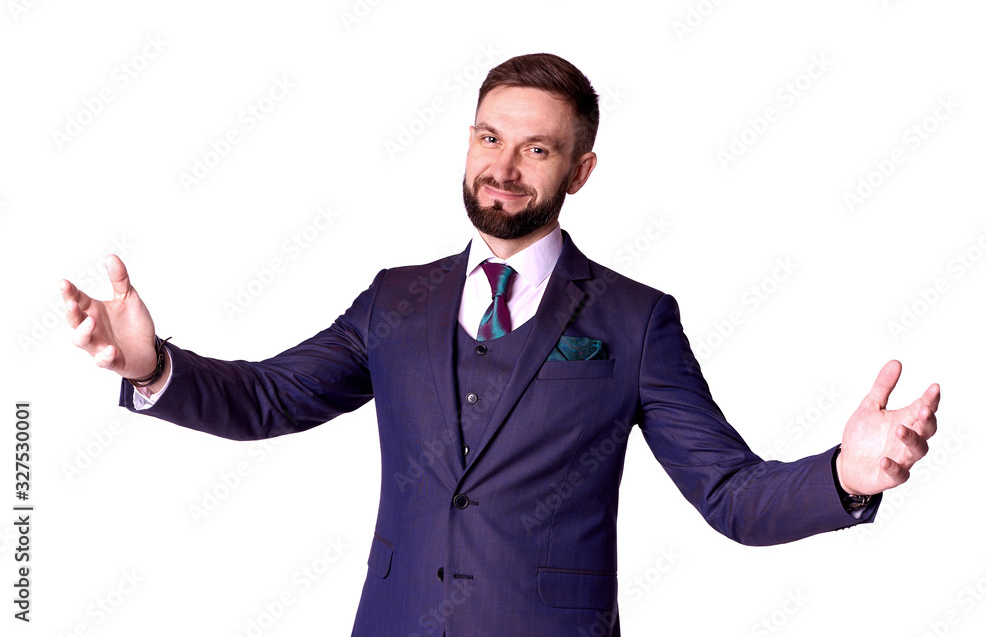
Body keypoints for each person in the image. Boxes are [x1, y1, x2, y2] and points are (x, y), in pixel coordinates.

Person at [61, 53, 940, 636]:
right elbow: (268, 399)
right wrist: (152, 366)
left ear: (579, 171)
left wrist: (844, 476)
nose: (503, 168)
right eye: (489, 137)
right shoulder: (397, 299)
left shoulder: (636, 321)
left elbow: (730, 495)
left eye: (536, 149)